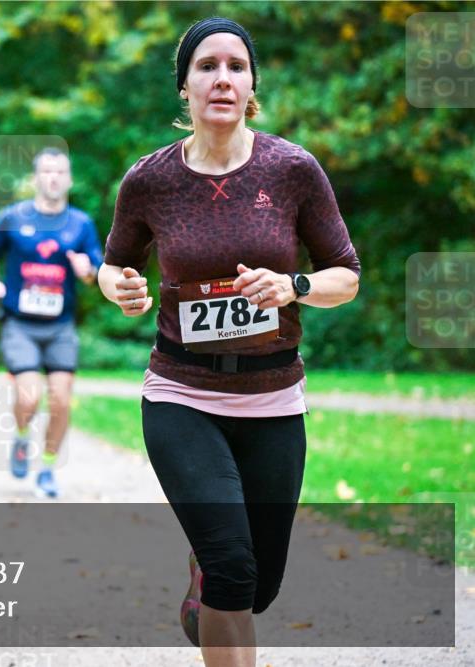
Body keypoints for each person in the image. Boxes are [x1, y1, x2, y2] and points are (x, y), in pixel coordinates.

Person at [98, 17, 360, 666]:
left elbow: (345, 276)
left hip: (273, 398)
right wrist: (120, 287)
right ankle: (213, 571)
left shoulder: (292, 169)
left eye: (236, 67)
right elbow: (114, 263)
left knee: (258, 582)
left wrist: (294, 285)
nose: (222, 78)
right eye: (206, 66)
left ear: (251, 86)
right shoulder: (149, 180)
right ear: (183, 86)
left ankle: (205, 583)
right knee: (232, 568)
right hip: (181, 394)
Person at [0, 148, 104, 499]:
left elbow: (95, 269)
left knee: (62, 401)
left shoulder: (81, 223)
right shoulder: (13, 216)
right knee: (30, 397)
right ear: (35, 178)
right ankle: (21, 437)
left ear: (69, 179)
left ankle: (47, 468)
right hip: (19, 323)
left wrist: (87, 271)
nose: (53, 178)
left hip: (61, 326)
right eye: (46, 171)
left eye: (60, 172)